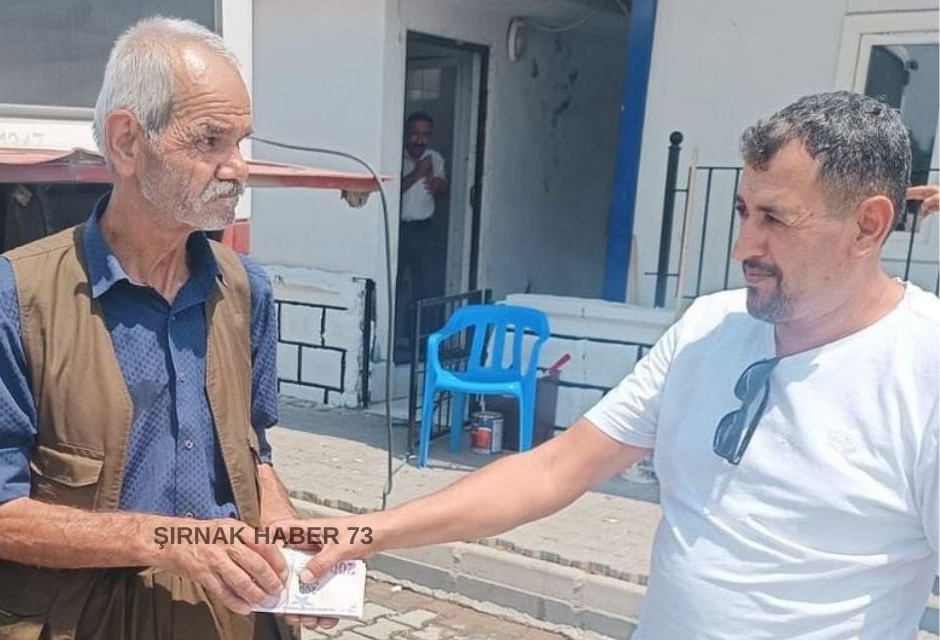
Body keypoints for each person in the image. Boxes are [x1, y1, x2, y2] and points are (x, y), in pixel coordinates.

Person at [288, 91, 939, 639]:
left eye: (776, 219)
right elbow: (555, 468)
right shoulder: (709, 328)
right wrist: (373, 530)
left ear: (867, 227)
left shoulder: (924, 369)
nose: (744, 245)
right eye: (743, 211)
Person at [0, 17, 332, 640]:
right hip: (78, 623)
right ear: (126, 142)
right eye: (210, 141)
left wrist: (288, 544)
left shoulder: (245, 291)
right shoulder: (11, 296)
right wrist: (169, 541)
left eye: (241, 142)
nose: (237, 168)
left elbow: (254, 453)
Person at [395, 112, 448, 359]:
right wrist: (417, 173)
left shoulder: (435, 159)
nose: (420, 140)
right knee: (395, 286)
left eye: (425, 135)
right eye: (415, 134)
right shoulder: (395, 155)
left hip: (424, 230)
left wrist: (438, 185)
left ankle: (420, 344)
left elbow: (442, 189)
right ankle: (393, 341)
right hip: (400, 230)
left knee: (424, 288)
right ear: (407, 133)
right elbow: (393, 190)